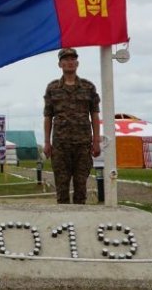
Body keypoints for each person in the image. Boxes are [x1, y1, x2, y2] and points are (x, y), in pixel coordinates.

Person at [43, 48, 101, 204]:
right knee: (62, 190)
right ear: (60, 64)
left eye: (72, 59)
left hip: (82, 145)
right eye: (66, 59)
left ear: (77, 63)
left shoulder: (88, 88)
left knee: (81, 188)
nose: (69, 62)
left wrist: (96, 141)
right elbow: (48, 116)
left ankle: (80, 223)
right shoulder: (53, 88)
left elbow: (94, 115)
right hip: (60, 146)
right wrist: (47, 142)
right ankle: (63, 223)